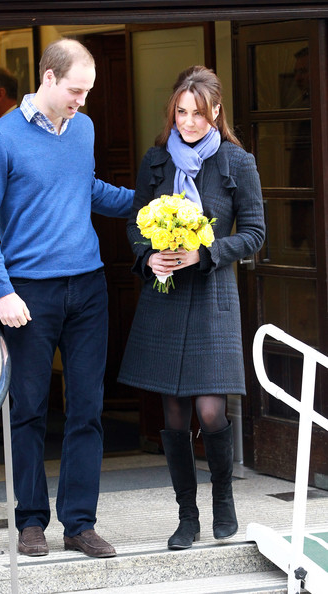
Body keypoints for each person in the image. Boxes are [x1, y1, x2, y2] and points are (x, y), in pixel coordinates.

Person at [0, 39, 134, 559]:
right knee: (30, 409)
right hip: (28, 293)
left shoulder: (80, 128)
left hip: (88, 286)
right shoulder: (1, 139)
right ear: (48, 78)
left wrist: (152, 200)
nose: (82, 101)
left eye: (87, 92)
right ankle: (30, 522)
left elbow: (85, 189)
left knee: (87, 408)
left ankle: (80, 524)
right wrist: (3, 292)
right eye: (76, 91)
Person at [118, 65, 265, 550]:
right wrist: (148, 254)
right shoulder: (156, 160)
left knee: (210, 410)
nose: (188, 122)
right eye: (181, 113)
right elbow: (135, 225)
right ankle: (187, 516)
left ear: (216, 112)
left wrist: (207, 252)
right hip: (165, 299)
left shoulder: (236, 162)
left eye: (198, 114)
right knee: (175, 415)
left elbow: (255, 235)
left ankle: (223, 498)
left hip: (212, 296)